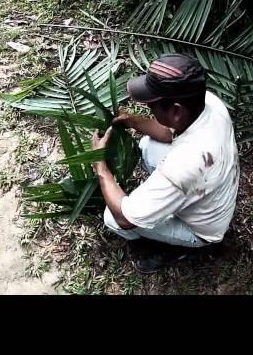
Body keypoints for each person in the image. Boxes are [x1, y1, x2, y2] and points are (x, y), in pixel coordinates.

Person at [90, 53, 239, 273]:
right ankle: (169, 212)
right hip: (213, 193)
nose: (149, 109)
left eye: (152, 106)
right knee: (148, 147)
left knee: (111, 217)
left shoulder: (182, 166)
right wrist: (133, 121)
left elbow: (125, 218)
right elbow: (168, 133)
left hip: (202, 229)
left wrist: (100, 165)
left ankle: (184, 247)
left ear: (176, 111)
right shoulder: (210, 103)